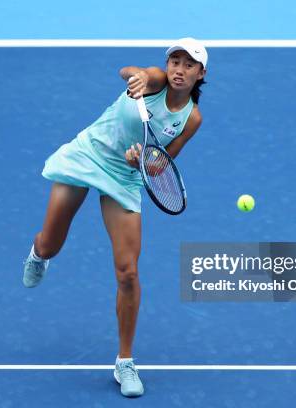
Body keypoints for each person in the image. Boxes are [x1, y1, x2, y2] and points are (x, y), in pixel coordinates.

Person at [23, 37, 208, 397]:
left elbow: (161, 164)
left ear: (201, 74)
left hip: (124, 177)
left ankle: (125, 361)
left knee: (128, 272)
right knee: (51, 244)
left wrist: (141, 160)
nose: (179, 70)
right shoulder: (154, 78)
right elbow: (130, 71)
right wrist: (136, 77)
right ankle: (38, 255)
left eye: (189, 65)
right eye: (175, 62)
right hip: (87, 155)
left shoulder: (192, 118)